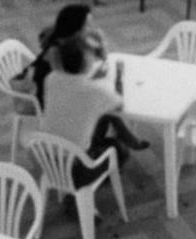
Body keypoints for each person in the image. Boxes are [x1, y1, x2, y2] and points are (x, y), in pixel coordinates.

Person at [41, 18, 149, 185]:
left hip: (47, 159)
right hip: (78, 169)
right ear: (86, 62)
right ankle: (83, 194)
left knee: (101, 115)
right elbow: (118, 105)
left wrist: (92, 81)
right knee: (120, 151)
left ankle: (125, 136)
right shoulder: (96, 91)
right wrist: (118, 77)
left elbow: (74, 91)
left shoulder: (51, 79)